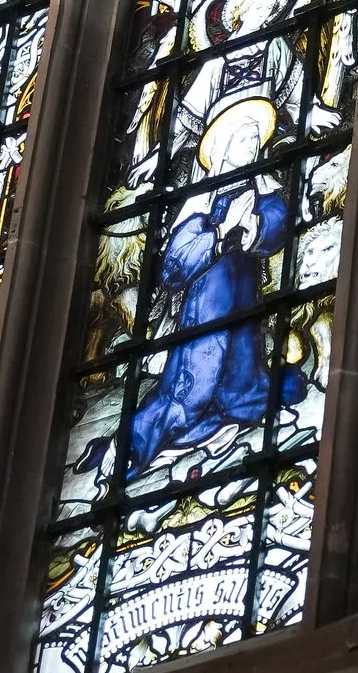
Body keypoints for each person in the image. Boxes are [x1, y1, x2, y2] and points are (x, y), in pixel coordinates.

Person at [125, 98, 305, 475]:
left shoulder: (263, 190)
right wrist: (221, 232)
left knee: (243, 371)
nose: (252, 147)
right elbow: (174, 265)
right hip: (205, 309)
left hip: (244, 303)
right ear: (224, 146)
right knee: (191, 390)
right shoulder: (201, 199)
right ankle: (140, 444)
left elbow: (278, 223)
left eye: (257, 140)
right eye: (244, 139)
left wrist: (254, 224)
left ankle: (237, 404)